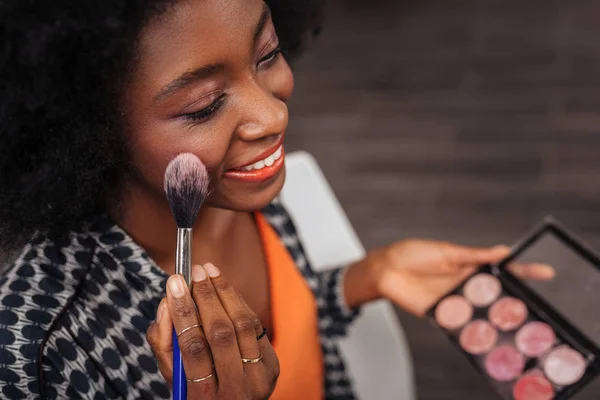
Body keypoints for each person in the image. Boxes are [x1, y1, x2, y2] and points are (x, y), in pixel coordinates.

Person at [0, 0, 554, 399]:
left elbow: (287, 328)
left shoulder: (236, 190)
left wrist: (371, 275)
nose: (273, 115)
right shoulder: (40, 348)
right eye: (203, 105)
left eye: (266, 54)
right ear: (84, 127)